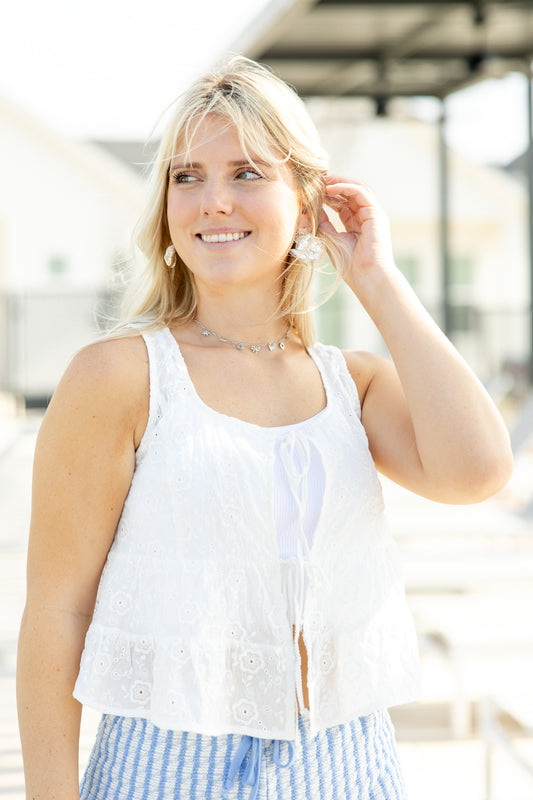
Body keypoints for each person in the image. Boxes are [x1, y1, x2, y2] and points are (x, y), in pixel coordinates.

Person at [17, 56, 513, 800]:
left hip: (350, 763)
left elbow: (477, 471)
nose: (212, 200)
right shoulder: (119, 377)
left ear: (307, 201)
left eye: (246, 172)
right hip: (168, 768)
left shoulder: (353, 383)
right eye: (186, 176)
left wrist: (375, 276)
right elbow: (58, 613)